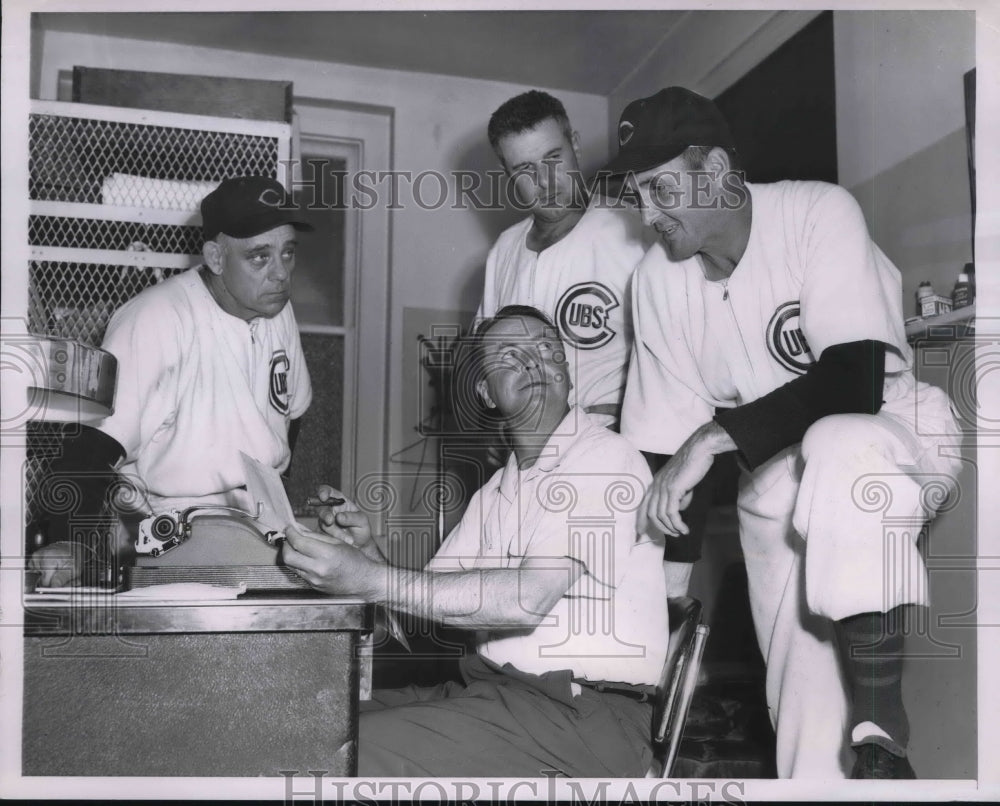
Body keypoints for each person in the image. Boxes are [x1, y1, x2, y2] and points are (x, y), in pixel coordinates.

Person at [601, 87, 961, 779]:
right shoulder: (654, 280)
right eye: (635, 194)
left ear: (714, 170)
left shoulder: (816, 211)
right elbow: (668, 459)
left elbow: (854, 380)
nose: (645, 215)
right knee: (804, 723)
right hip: (769, 478)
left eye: (659, 189)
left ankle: (882, 731)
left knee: (841, 442)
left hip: (891, 432)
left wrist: (710, 439)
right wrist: (664, 598)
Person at [283, 306, 668, 777]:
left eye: (547, 348)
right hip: (502, 695)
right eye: (510, 354)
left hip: (582, 718)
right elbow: (432, 606)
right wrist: (368, 553)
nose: (533, 361)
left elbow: (527, 601)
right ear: (485, 392)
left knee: (341, 752)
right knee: (310, 724)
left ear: (567, 373)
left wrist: (369, 578)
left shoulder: (604, 458)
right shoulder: (499, 488)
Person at [29, 176, 314, 586]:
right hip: (172, 526)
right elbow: (90, 447)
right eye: (259, 257)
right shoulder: (156, 318)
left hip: (258, 521)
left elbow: (293, 412)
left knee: (340, 566)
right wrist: (69, 541)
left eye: (288, 253)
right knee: (300, 582)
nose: (281, 273)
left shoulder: (276, 311)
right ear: (216, 258)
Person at [480, 89, 701, 595]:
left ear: (576, 144)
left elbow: (687, 362)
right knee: (529, 614)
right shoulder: (505, 251)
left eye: (553, 158)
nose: (545, 182)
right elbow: (486, 358)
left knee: (630, 612)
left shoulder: (635, 230)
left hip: (619, 455)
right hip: (528, 465)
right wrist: (492, 424)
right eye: (524, 170)